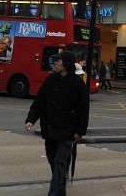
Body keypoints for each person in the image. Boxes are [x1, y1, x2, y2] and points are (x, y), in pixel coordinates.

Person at [25, 50, 89, 196]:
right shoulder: (51, 79)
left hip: (66, 130)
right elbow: (39, 101)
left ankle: (53, 193)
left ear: (66, 64)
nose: (55, 63)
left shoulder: (77, 84)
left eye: (58, 61)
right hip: (49, 129)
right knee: (53, 161)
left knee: (60, 162)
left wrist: (80, 131)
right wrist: (31, 119)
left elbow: (83, 110)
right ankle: (61, 191)